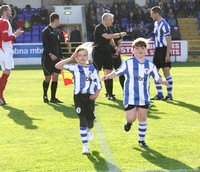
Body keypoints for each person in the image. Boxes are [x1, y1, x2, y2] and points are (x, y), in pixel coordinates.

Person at [101, 38, 168, 147]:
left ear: (146, 50)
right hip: (130, 96)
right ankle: (129, 122)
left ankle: (141, 140)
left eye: (142, 48)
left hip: (143, 97)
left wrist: (163, 81)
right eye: (137, 48)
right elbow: (118, 72)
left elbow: (157, 77)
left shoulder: (150, 65)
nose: (140, 50)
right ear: (133, 50)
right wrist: (107, 76)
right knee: (131, 118)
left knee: (142, 118)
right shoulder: (128, 62)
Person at [55, 45, 102, 154]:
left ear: (87, 57)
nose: (82, 57)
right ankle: (85, 146)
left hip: (90, 97)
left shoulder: (91, 68)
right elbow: (57, 66)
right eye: (79, 55)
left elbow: (98, 83)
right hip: (78, 97)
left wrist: (96, 94)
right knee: (82, 120)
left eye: (84, 55)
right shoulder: (74, 67)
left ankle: (88, 130)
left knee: (90, 123)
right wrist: (70, 58)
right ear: (76, 57)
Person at [92, 13, 126, 100]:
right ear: (105, 20)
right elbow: (107, 36)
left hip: (107, 53)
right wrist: (120, 34)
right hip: (98, 53)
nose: (112, 21)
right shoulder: (99, 28)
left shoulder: (109, 28)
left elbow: (110, 39)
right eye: (111, 19)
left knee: (109, 73)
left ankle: (110, 94)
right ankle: (91, 92)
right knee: (95, 74)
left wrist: (115, 47)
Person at [0, 5, 24, 105]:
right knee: (6, 71)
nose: (11, 12)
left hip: (4, 49)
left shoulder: (3, 21)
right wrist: (16, 35)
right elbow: (5, 38)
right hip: (5, 50)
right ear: (5, 12)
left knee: (6, 72)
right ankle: (0, 97)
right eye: (9, 10)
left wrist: (14, 34)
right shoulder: (4, 22)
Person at [150, 6, 173, 100]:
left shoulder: (164, 24)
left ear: (156, 13)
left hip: (164, 50)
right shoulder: (156, 23)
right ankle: (159, 94)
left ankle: (169, 95)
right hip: (158, 50)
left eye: (152, 14)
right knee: (155, 72)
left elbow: (169, 41)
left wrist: (167, 54)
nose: (151, 16)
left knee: (166, 72)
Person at [41, 13, 63, 103]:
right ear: (56, 20)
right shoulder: (46, 31)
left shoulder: (57, 31)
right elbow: (45, 45)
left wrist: (61, 57)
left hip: (57, 59)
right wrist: (50, 54)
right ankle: (45, 95)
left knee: (56, 76)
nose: (59, 22)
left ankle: (53, 98)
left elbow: (58, 45)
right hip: (47, 58)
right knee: (47, 78)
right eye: (59, 20)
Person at [109, 25, 125, 90]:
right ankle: (109, 93)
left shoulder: (116, 29)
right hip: (107, 54)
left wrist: (117, 50)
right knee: (108, 73)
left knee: (120, 72)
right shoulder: (102, 29)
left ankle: (125, 90)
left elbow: (119, 42)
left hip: (116, 53)